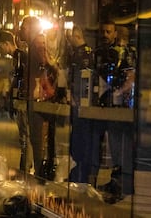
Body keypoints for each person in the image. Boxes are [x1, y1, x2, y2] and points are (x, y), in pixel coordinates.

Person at [91, 20, 136, 204]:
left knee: (122, 145)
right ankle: (116, 181)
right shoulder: (101, 52)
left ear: (116, 33)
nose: (105, 35)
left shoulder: (125, 52)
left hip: (122, 106)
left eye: (109, 31)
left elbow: (131, 77)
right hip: (107, 105)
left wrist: (119, 92)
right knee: (114, 144)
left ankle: (123, 185)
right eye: (103, 31)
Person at [18, 16, 58, 181]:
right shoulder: (32, 47)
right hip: (35, 98)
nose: (22, 30)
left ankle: (40, 175)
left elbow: (43, 67)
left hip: (37, 99)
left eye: (24, 27)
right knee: (35, 139)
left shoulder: (36, 46)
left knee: (36, 139)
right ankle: (37, 172)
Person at [0, 30, 33, 173]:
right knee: (23, 136)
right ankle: (24, 165)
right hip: (20, 100)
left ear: (6, 44)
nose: (1, 50)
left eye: (1, 46)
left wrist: (12, 95)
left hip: (22, 101)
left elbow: (18, 79)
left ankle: (25, 166)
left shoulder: (19, 56)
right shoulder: (20, 56)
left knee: (24, 136)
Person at [66, 25, 94, 183]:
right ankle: (78, 174)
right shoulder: (83, 53)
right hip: (78, 102)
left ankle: (80, 175)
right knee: (79, 138)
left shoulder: (82, 54)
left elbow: (81, 79)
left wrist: (75, 97)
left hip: (79, 103)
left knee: (79, 139)